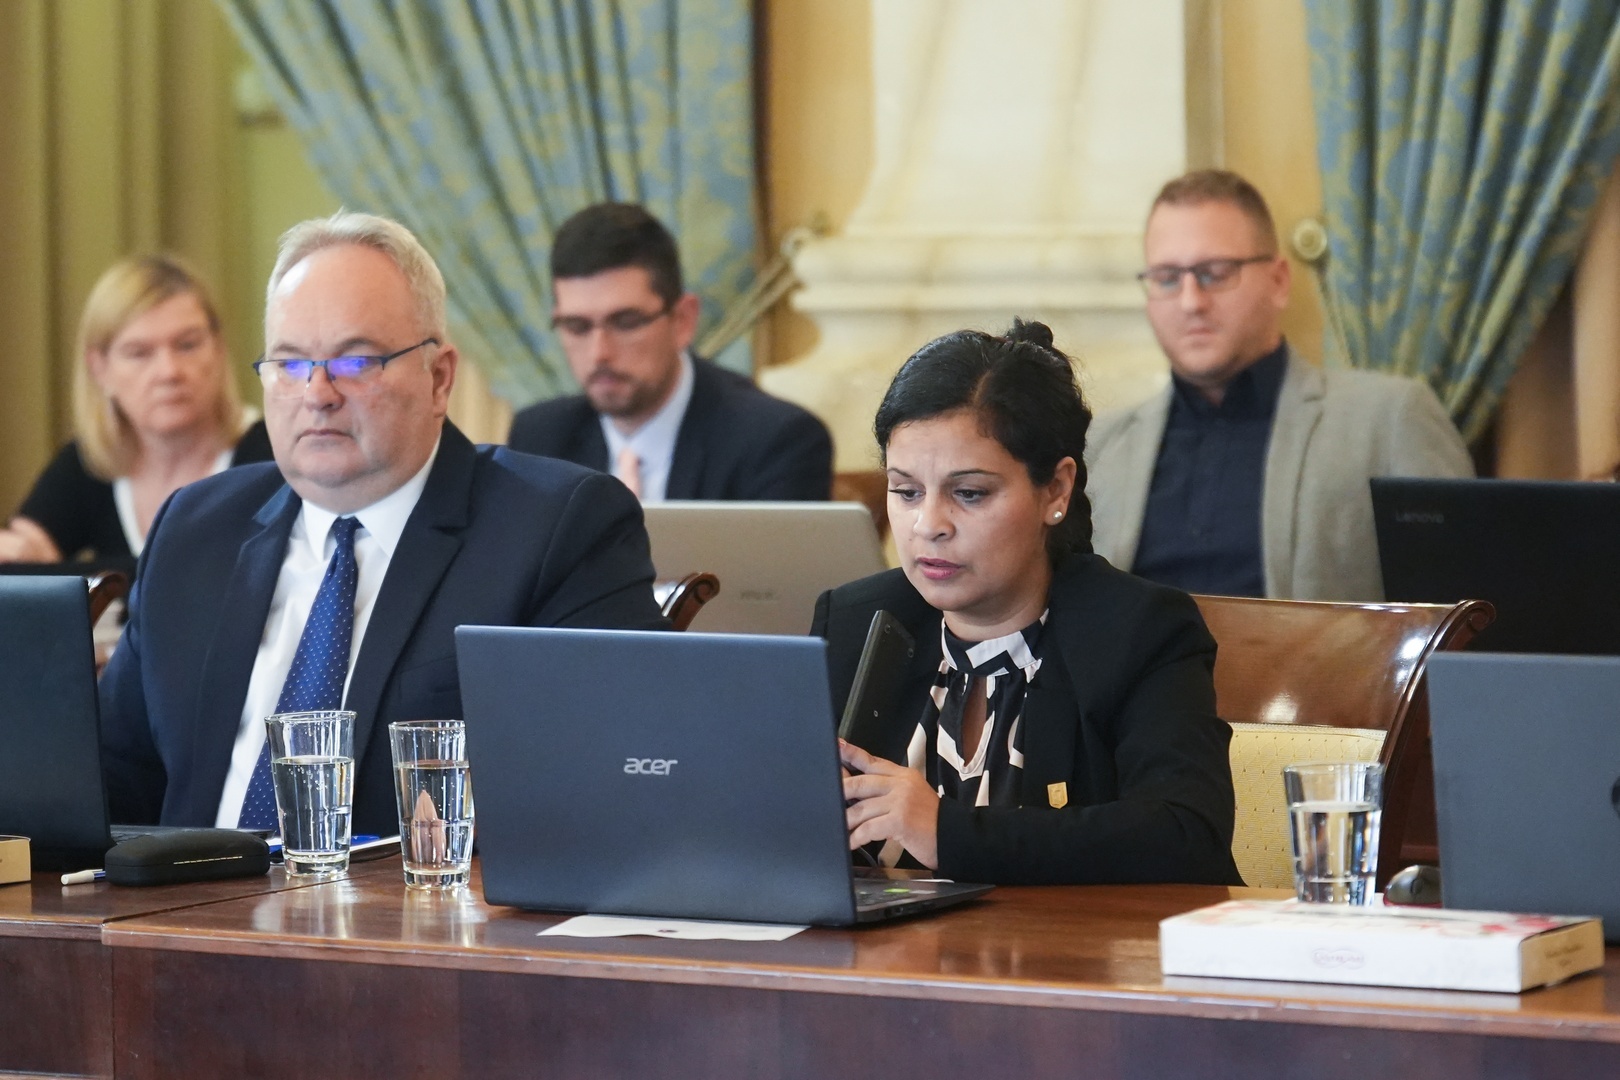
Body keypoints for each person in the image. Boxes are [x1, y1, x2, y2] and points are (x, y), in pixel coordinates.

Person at [99, 211, 667, 836]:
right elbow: (112, 778)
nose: (318, 393)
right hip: (188, 896)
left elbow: (603, 796)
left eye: (356, 362)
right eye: (290, 364)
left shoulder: (557, 528)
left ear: (439, 378)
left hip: (404, 899)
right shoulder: (195, 529)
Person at [811, 320, 1241, 886]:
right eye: (906, 491)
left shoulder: (1138, 630)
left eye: (970, 493)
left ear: (1056, 489)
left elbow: (1187, 834)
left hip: (1073, 943)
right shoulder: (855, 620)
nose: (928, 525)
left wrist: (947, 831)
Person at [1086, 169, 1473, 602]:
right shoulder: (1099, 449)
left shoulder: (1388, 420)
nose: (1191, 301)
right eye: (1167, 278)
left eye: (1215, 273)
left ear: (1278, 281)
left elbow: (1460, 613)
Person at [506, 202, 834, 501]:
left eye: (626, 322)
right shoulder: (539, 439)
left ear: (682, 321)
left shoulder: (775, 441)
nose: (599, 353)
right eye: (576, 326)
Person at [0, 256, 272, 564]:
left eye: (187, 345)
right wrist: (25, 561)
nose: (169, 372)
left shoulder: (271, 458)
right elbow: (24, 549)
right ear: (100, 369)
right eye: (139, 353)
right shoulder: (88, 465)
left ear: (219, 349)